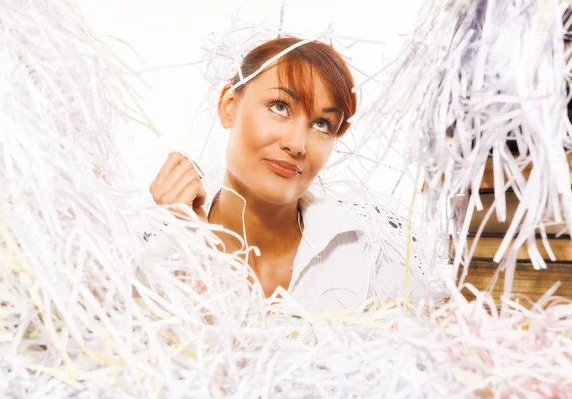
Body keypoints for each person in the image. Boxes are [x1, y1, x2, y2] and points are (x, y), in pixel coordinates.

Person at [149, 37, 446, 312]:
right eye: (279, 107)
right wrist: (190, 245)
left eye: (321, 124)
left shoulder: (373, 258)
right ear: (229, 106)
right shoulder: (154, 243)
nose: (297, 144)